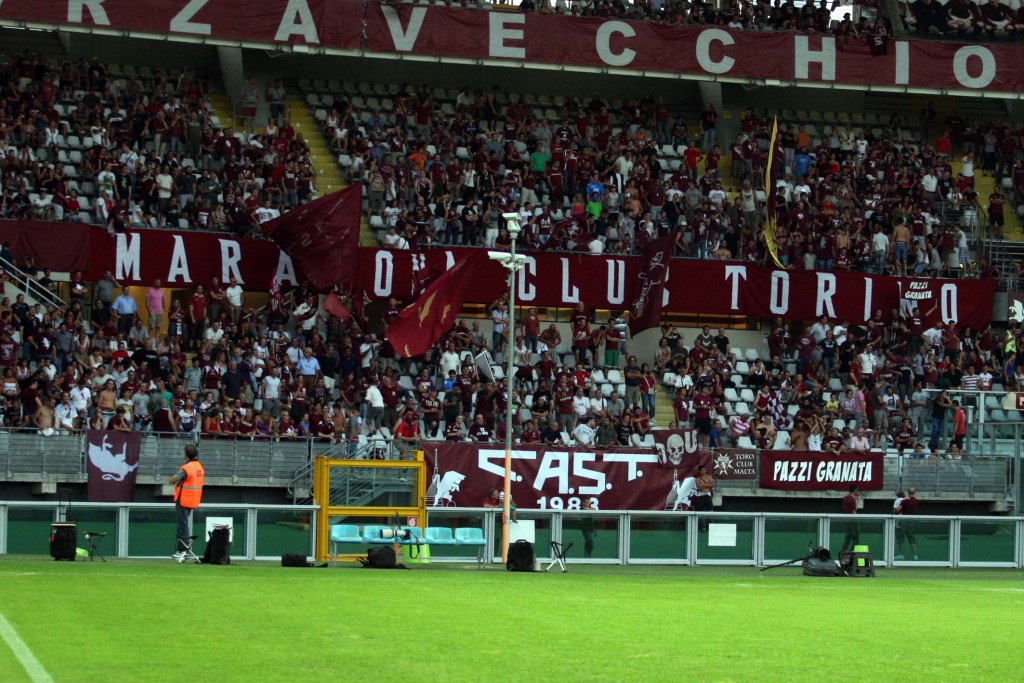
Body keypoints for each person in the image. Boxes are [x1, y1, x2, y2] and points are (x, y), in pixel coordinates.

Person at [168, 444, 204, 560]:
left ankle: (184, 551)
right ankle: (181, 550)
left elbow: (173, 479)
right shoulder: (199, 466)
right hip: (193, 499)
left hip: (184, 498)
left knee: (183, 525)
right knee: (182, 524)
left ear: (186, 454)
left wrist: (172, 481)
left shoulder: (187, 467)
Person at [895, 486, 920, 560]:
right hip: (912, 521)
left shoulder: (905, 501)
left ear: (908, 492)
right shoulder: (916, 501)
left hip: (903, 521)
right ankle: (915, 555)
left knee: (901, 538)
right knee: (912, 538)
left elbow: (897, 510)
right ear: (914, 493)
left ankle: (901, 554)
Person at [840, 484, 859, 553]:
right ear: (855, 490)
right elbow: (854, 511)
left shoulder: (845, 498)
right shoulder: (853, 499)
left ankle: (842, 552)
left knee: (848, 538)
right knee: (855, 538)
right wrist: (857, 520)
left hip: (846, 519)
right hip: (852, 520)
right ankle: (852, 553)